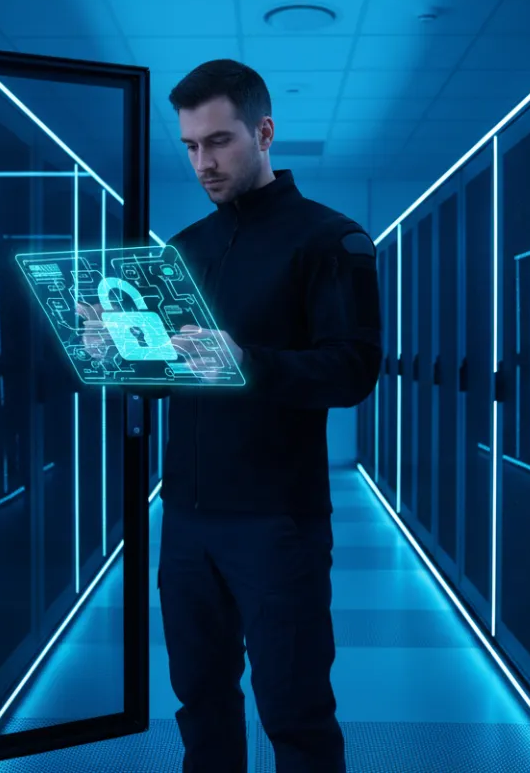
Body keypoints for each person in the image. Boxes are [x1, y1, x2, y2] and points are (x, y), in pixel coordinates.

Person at [77, 59, 381, 773]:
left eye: (219, 142)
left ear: (265, 132)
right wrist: (117, 355)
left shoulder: (329, 241)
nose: (202, 163)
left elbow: (354, 369)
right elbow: (167, 378)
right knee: (200, 704)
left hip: (278, 522)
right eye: (189, 146)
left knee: (295, 711)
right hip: (184, 520)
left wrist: (248, 364)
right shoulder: (182, 249)